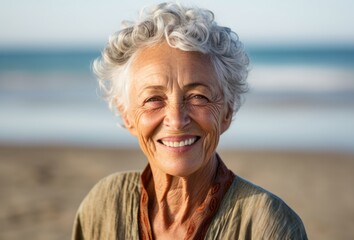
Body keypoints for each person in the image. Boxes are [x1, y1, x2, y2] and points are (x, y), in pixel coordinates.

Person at [72, 2, 307, 239]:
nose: (176, 120)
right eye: (153, 99)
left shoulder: (268, 224)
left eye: (198, 97)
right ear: (127, 115)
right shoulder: (103, 205)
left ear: (227, 111)